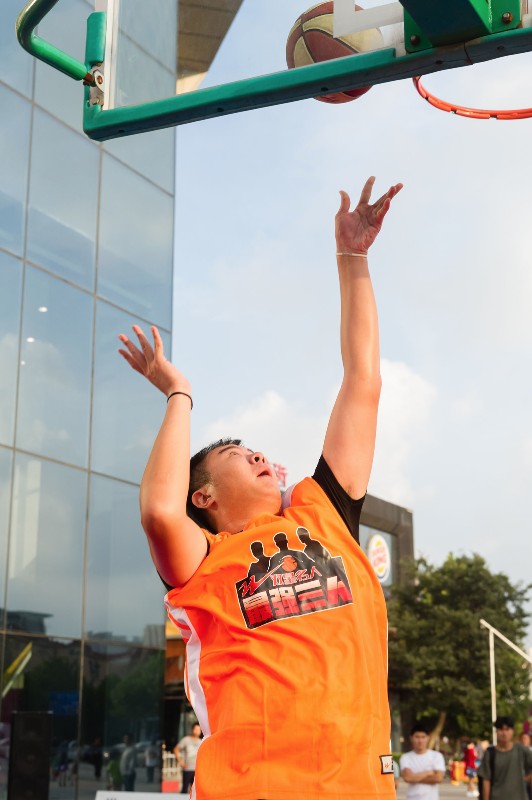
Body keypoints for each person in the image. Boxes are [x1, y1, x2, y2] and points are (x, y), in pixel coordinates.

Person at [118, 176, 402, 800]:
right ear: (204, 498)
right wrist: (178, 393)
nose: (258, 453)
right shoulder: (202, 561)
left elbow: (363, 380)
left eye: (258, 450)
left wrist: (352, 257)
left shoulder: (322, 512)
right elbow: (159, 510)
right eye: (235, 453)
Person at [477, 715, 532, 800]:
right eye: (501, 729)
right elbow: (486, 781)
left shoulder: (521, 750)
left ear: (512, 731)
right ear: (496, 732)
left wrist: (525, 779)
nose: (504, 733)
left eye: (507, 729)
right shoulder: (490, 753)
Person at [399, 723, 445, 799]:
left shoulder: (437, 756)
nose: (420, 741)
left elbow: (438, 778)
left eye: (423, 737)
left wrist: (414, 777)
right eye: (417, 737)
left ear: (428, 738)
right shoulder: (406, 757)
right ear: (411, 738)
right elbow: (407, 778)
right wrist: (429, 773)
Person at [175, 723, 202, 794]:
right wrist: (180, 762)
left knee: (195, 792)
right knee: (184, 790)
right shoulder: (186, 740)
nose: (197, 731)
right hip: (187, 769)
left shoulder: (201, 742)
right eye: (196, 729)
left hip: (197, 770)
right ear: (192, 730)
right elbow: (176, 749)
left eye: (199, 730)